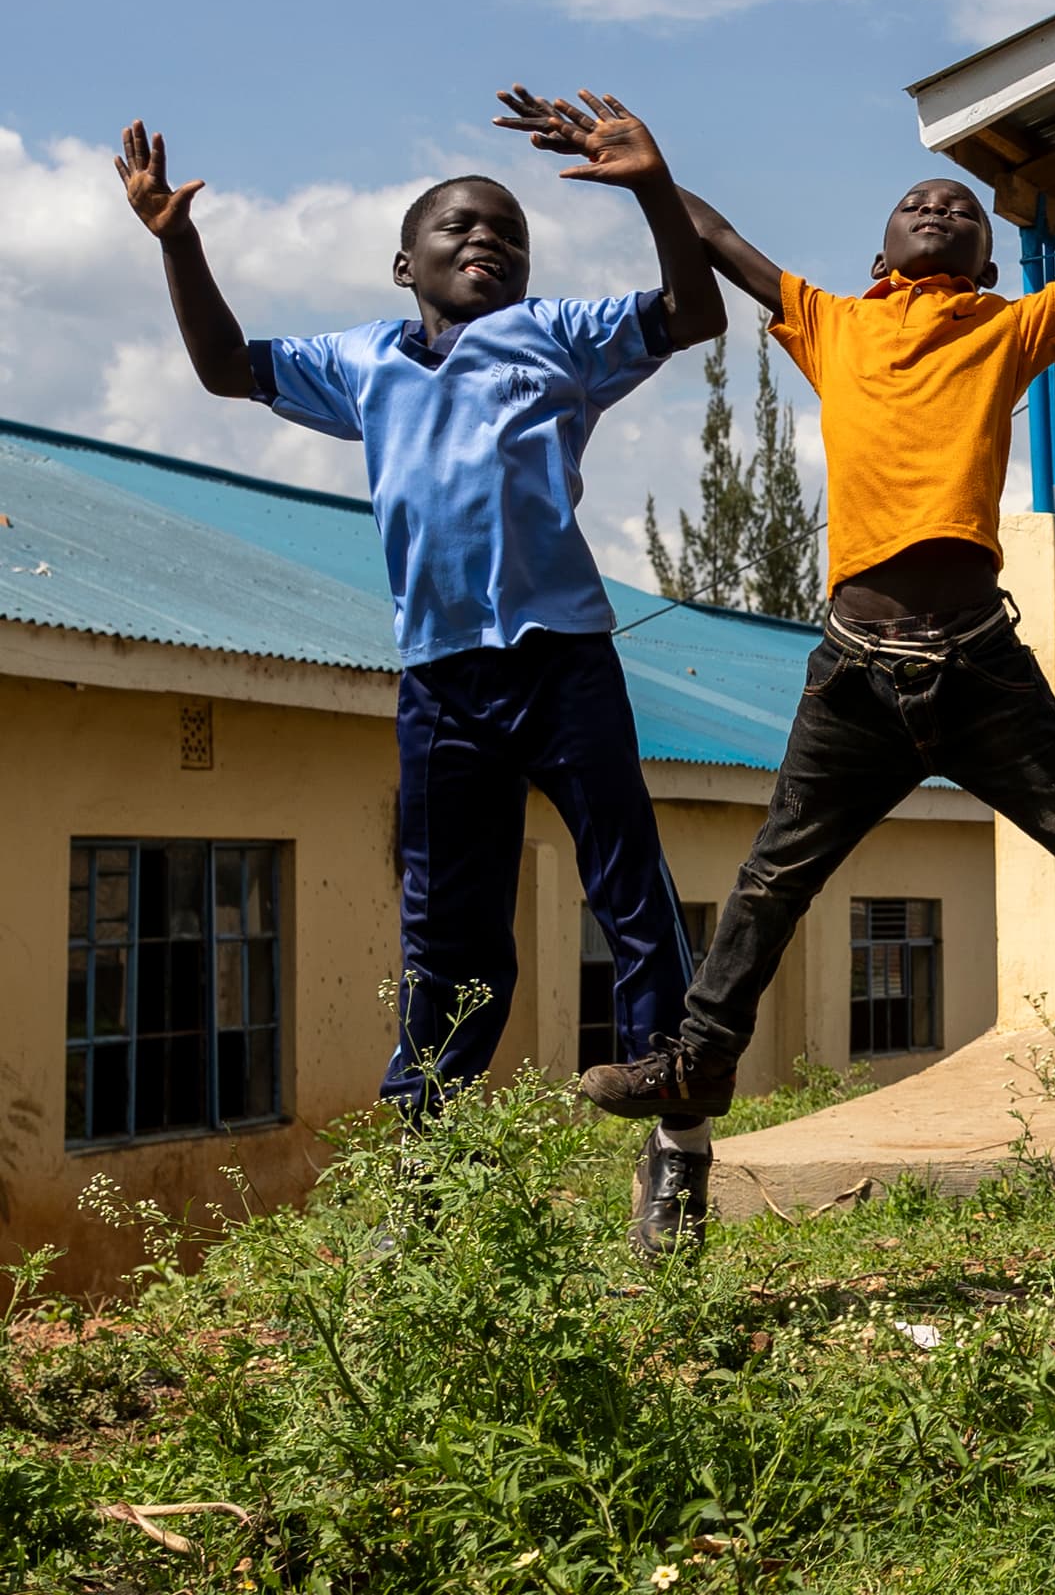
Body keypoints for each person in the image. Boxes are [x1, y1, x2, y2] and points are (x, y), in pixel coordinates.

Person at [571, 60, 1055, 1121]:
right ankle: (699, 1059)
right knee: (774, 875)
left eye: (959, 209)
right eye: (919, 204)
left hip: (978, 667)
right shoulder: (834, 323)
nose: (937, 207)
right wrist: (653, 178)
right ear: (879, 256)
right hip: (855, 678)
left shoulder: (1007, 329)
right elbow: (722, 240)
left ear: (988, 258)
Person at [117, 95, 728, 1254]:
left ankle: (676, 1137)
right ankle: (430, 1167)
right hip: (441, 678)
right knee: (448, 926)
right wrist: (177, 241)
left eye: (507, 230)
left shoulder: (559, 333)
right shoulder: (361, 361)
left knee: (628, 887)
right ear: (406, 261)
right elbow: (221, 368)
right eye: (457, 227)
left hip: (563, 658)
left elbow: (691, 311)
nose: (485, 240)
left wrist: (653, 185)